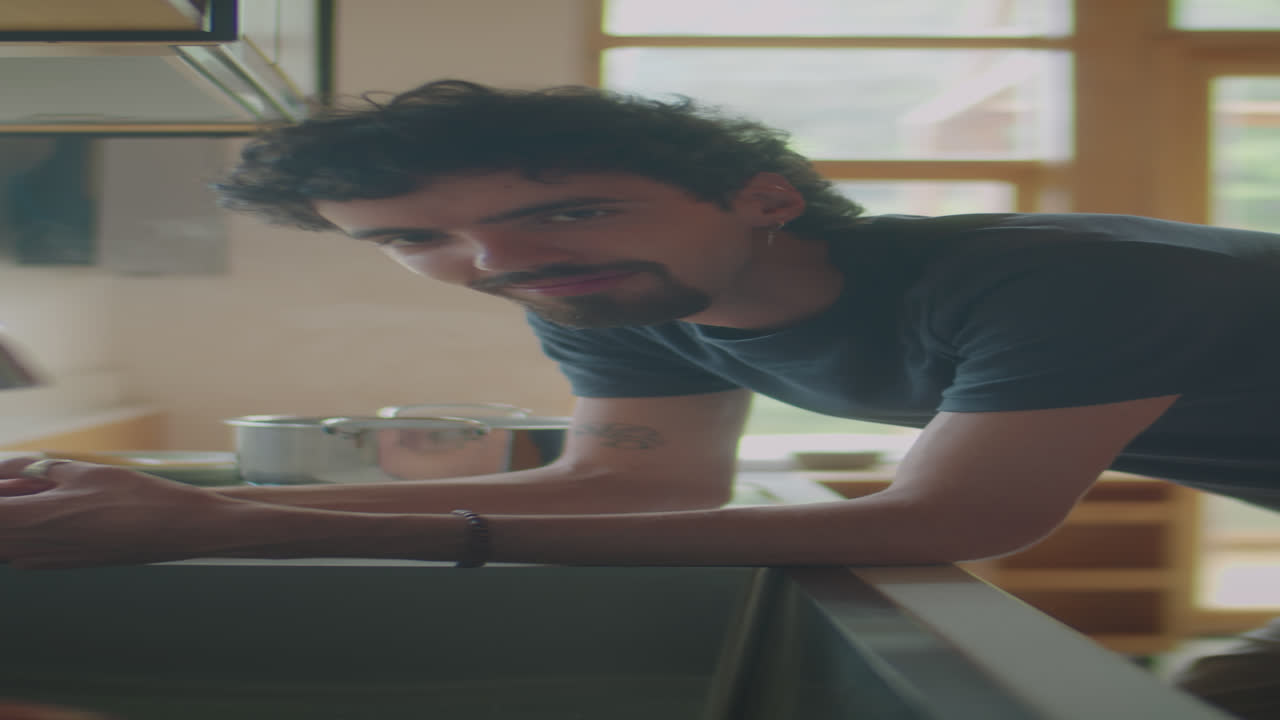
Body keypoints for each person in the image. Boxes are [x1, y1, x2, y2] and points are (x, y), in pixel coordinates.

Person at [0, 79, 1277, 715]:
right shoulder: (635, 304)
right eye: (414, 240)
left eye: (568, 212)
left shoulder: (1061, 281)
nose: (499, 264)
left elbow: (951, 518)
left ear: (764, 198)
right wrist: (174, 510)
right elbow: (635, 484)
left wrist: (234, 528)